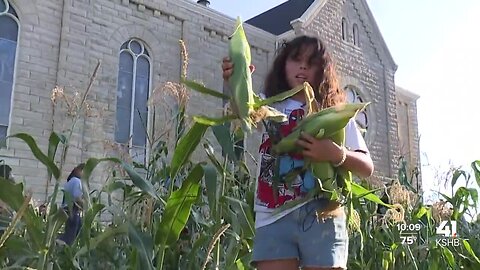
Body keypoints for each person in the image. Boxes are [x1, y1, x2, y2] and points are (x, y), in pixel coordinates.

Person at [222, 35, 374, 270]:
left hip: (323, 214)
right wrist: (236, 80)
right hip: (273, 214)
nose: (302, 66)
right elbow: (241, 112)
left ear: (323, 70)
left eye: (311, 62)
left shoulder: (334, 113)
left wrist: (335, 154)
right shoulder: (268, 105)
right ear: (283, 64)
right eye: (296, 59)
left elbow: (366, 166)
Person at [58, 163, 85, 245]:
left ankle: (59, 242)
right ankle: (58, 242)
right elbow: (77, 198)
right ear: (78, 171)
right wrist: (87, 205)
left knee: (74, 230)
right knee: (70, 238)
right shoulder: (77, 181)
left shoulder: (70, 181)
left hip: (66, 210)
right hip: (72, 210)